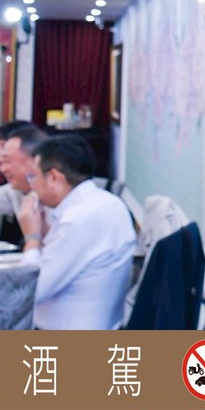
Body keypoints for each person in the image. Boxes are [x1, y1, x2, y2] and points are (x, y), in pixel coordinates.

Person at [19, 134, 134, 330]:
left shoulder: (77, 221)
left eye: (33, 176)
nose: (32, 185)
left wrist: (32, 238)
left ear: (54, 177)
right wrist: (46, 233)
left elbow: (29, 292)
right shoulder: (107, 201)